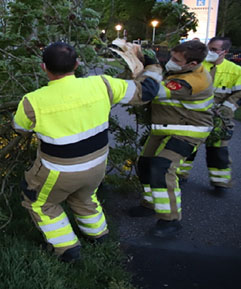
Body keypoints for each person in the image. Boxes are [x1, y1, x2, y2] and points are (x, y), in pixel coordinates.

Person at [13, 42, 162, 262]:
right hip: (96, 166)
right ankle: (98, 235)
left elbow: (20, 127)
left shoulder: (32, 101)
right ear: (77, 64)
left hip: (58, 171)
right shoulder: (102, 84)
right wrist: (152, 65)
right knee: (84, 196)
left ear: (43, 67)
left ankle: (67, 249)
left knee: (38, 202)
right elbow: (146, 92)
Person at [130, 40, 213, 237]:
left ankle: (170, 220)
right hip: (165, 128)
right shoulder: (181, 71)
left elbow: (152, 92)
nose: (171, 62)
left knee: (162, 167)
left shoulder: (193, 81)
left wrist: (150, 67)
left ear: (192, 64)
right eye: (171, 57)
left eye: (176, 60)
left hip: (188, 131)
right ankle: (149, 203)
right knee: (145, 164)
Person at [178, 37, 241, 193]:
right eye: (208, 48)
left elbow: (238, 93)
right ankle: (180, 175)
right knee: (188, 146)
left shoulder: (236, 71)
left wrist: (227, 108)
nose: (209, 52)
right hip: (196, 116)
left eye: (214, 50)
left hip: (220, 118)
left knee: (218, 152)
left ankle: (220, 183)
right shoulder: (198, 66)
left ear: (224, 52)